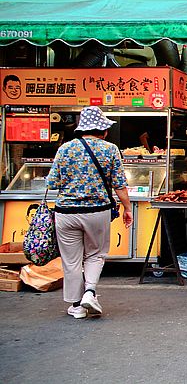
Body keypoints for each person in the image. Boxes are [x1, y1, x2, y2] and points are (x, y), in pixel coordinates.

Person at [45, 106, 133, 319]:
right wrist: (127, 208)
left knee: (71, 260)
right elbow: (119, 184)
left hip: (66, 213)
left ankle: (76, 306)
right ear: (103, 130)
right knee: (95, 254)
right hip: (97, 212)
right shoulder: (110, 149)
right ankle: (90, 292)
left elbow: (52, 182)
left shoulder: (65, 149)